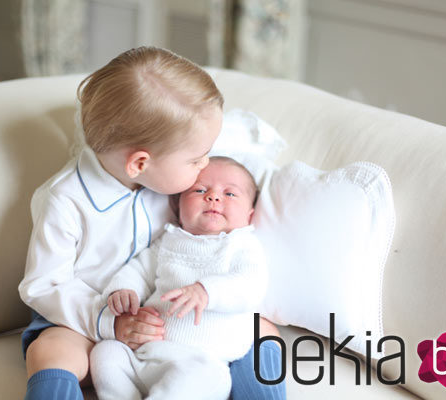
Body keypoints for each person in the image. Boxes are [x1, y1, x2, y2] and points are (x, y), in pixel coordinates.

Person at [18, 46, 284, 400]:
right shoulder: (65, 201)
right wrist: (110, 322)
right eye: (196, 159)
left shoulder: (172, 171)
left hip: (175, 318)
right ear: (140, 163)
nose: (204, 165)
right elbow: (42, 286)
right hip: (87, 319)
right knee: (50, 350)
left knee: (263, 329)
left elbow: (223, 141)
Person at [91, 157, 283, 399]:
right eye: (200, 190)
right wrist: (123, 290)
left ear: (249, 215)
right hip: (147, 354)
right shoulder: (169, 241)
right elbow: (139, 269)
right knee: (106, 352)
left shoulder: (242, 245)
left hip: (202, 360)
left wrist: (207, 291)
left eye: (230, 194)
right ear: (178, 206)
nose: (213, 197)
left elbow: (250, 285)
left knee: (213, 377)